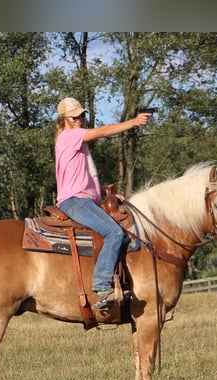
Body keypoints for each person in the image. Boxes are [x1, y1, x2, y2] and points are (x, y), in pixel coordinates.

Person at [54, 97, 151, 309]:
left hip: (82, 199)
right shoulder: (70, 136)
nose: (80, 119)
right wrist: (133, 122)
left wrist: (104, 195)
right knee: (115, 233)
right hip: (75, 201)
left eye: (82, 115)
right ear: (64, 119)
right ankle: (102, 287)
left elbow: (79, 178)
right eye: (74, 116)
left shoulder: (73, 141)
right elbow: (105, 131)